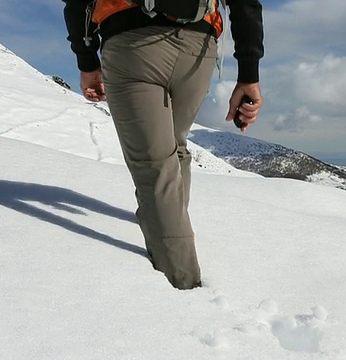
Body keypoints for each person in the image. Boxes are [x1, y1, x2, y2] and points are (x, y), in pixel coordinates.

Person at [62, 0, 264, 289]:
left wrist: (87, 60)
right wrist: (248, 74)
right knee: (174, 147)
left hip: (132, 42)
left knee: (154, 166)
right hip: (199, 49)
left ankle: (183, 287)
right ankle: (166, 222)